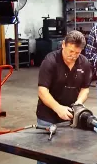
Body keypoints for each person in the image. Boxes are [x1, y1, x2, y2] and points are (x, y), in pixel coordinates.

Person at [35, 30, 92, 164]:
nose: (72, 56)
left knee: (70, 154)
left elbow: (85, 89)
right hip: (47, 117)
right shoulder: (50, 61)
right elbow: (42, 91)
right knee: (46, 156)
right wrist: (57, 108)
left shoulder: (84, 63)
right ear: (63, 45)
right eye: (70, 51)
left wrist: (78, 103)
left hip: (70, 118)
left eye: (77, 53)